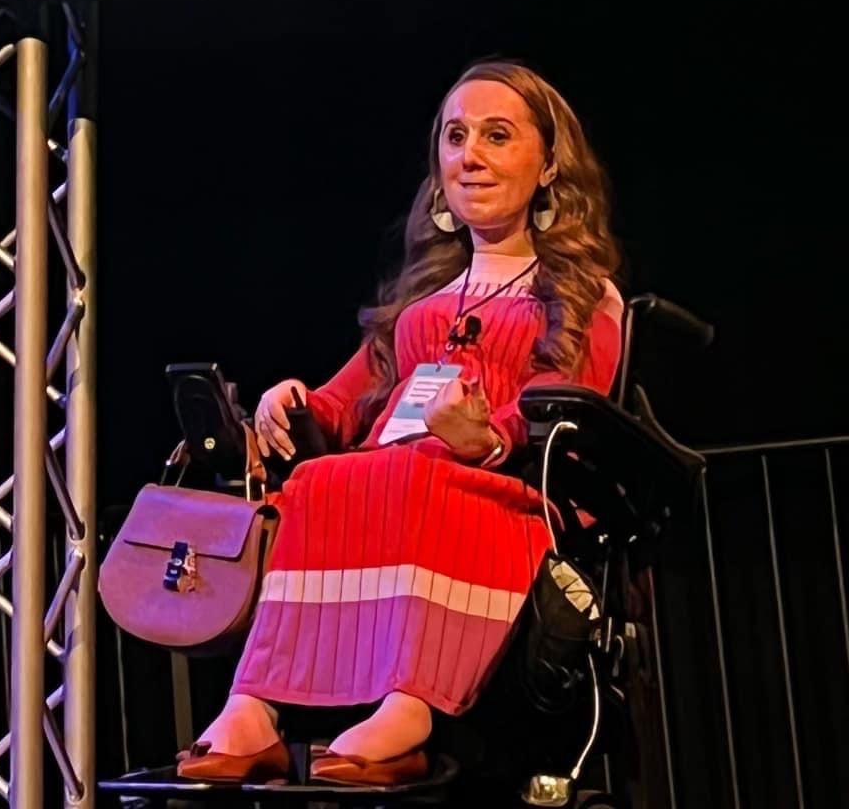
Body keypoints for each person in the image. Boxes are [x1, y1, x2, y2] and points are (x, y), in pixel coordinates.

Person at [177, 62, 624, 788]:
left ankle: (410, 705)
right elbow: (344, 401)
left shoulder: (574, 294)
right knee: (321, 477)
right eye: (455, 137)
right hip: (400, 485)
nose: (469, 155)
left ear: (548, 166)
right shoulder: (420, 304)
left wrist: (487, 436)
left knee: (409, 473)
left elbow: (567, 410)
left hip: (504, 497)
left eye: (497, 136)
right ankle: (254, 708)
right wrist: (290, 403)